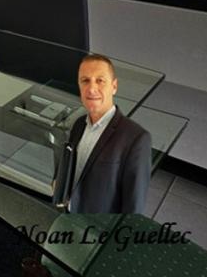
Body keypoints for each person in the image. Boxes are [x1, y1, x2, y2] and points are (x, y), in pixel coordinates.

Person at [59, 53, 151, 214]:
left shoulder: (136, 139)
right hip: (69, 215)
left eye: (100, 80)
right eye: (85, 80)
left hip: (97, 225)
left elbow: (133, 208)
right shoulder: (79, 124)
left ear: (114, 86)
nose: (91, 88)